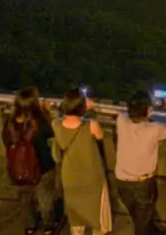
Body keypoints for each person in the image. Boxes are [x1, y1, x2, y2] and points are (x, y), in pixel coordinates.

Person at [114, 90, 166, 235]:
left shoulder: (121, 120)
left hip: (122, 181)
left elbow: (129, 115)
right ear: (149, 110)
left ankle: (152, 231)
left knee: (139, 217)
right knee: (141, 223)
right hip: (143, 185)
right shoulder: (154, 129)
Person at [52, 88, 112, 235]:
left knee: (75, 214)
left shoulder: (56, 124)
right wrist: (91, 111)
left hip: (70, 176)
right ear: (82, 106)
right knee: (97, 212)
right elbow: (100, 136)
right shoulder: (91, 125)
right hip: (92, 176)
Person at [2, 87, 58, 235]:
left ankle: (30, 225)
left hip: (18, 170)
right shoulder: (40, 124)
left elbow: (6, 142)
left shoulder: (9, 124)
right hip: (43, 168)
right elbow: (53, 135)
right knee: (45, 200)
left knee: (25, 200)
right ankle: (48, 226)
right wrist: (46, 112)